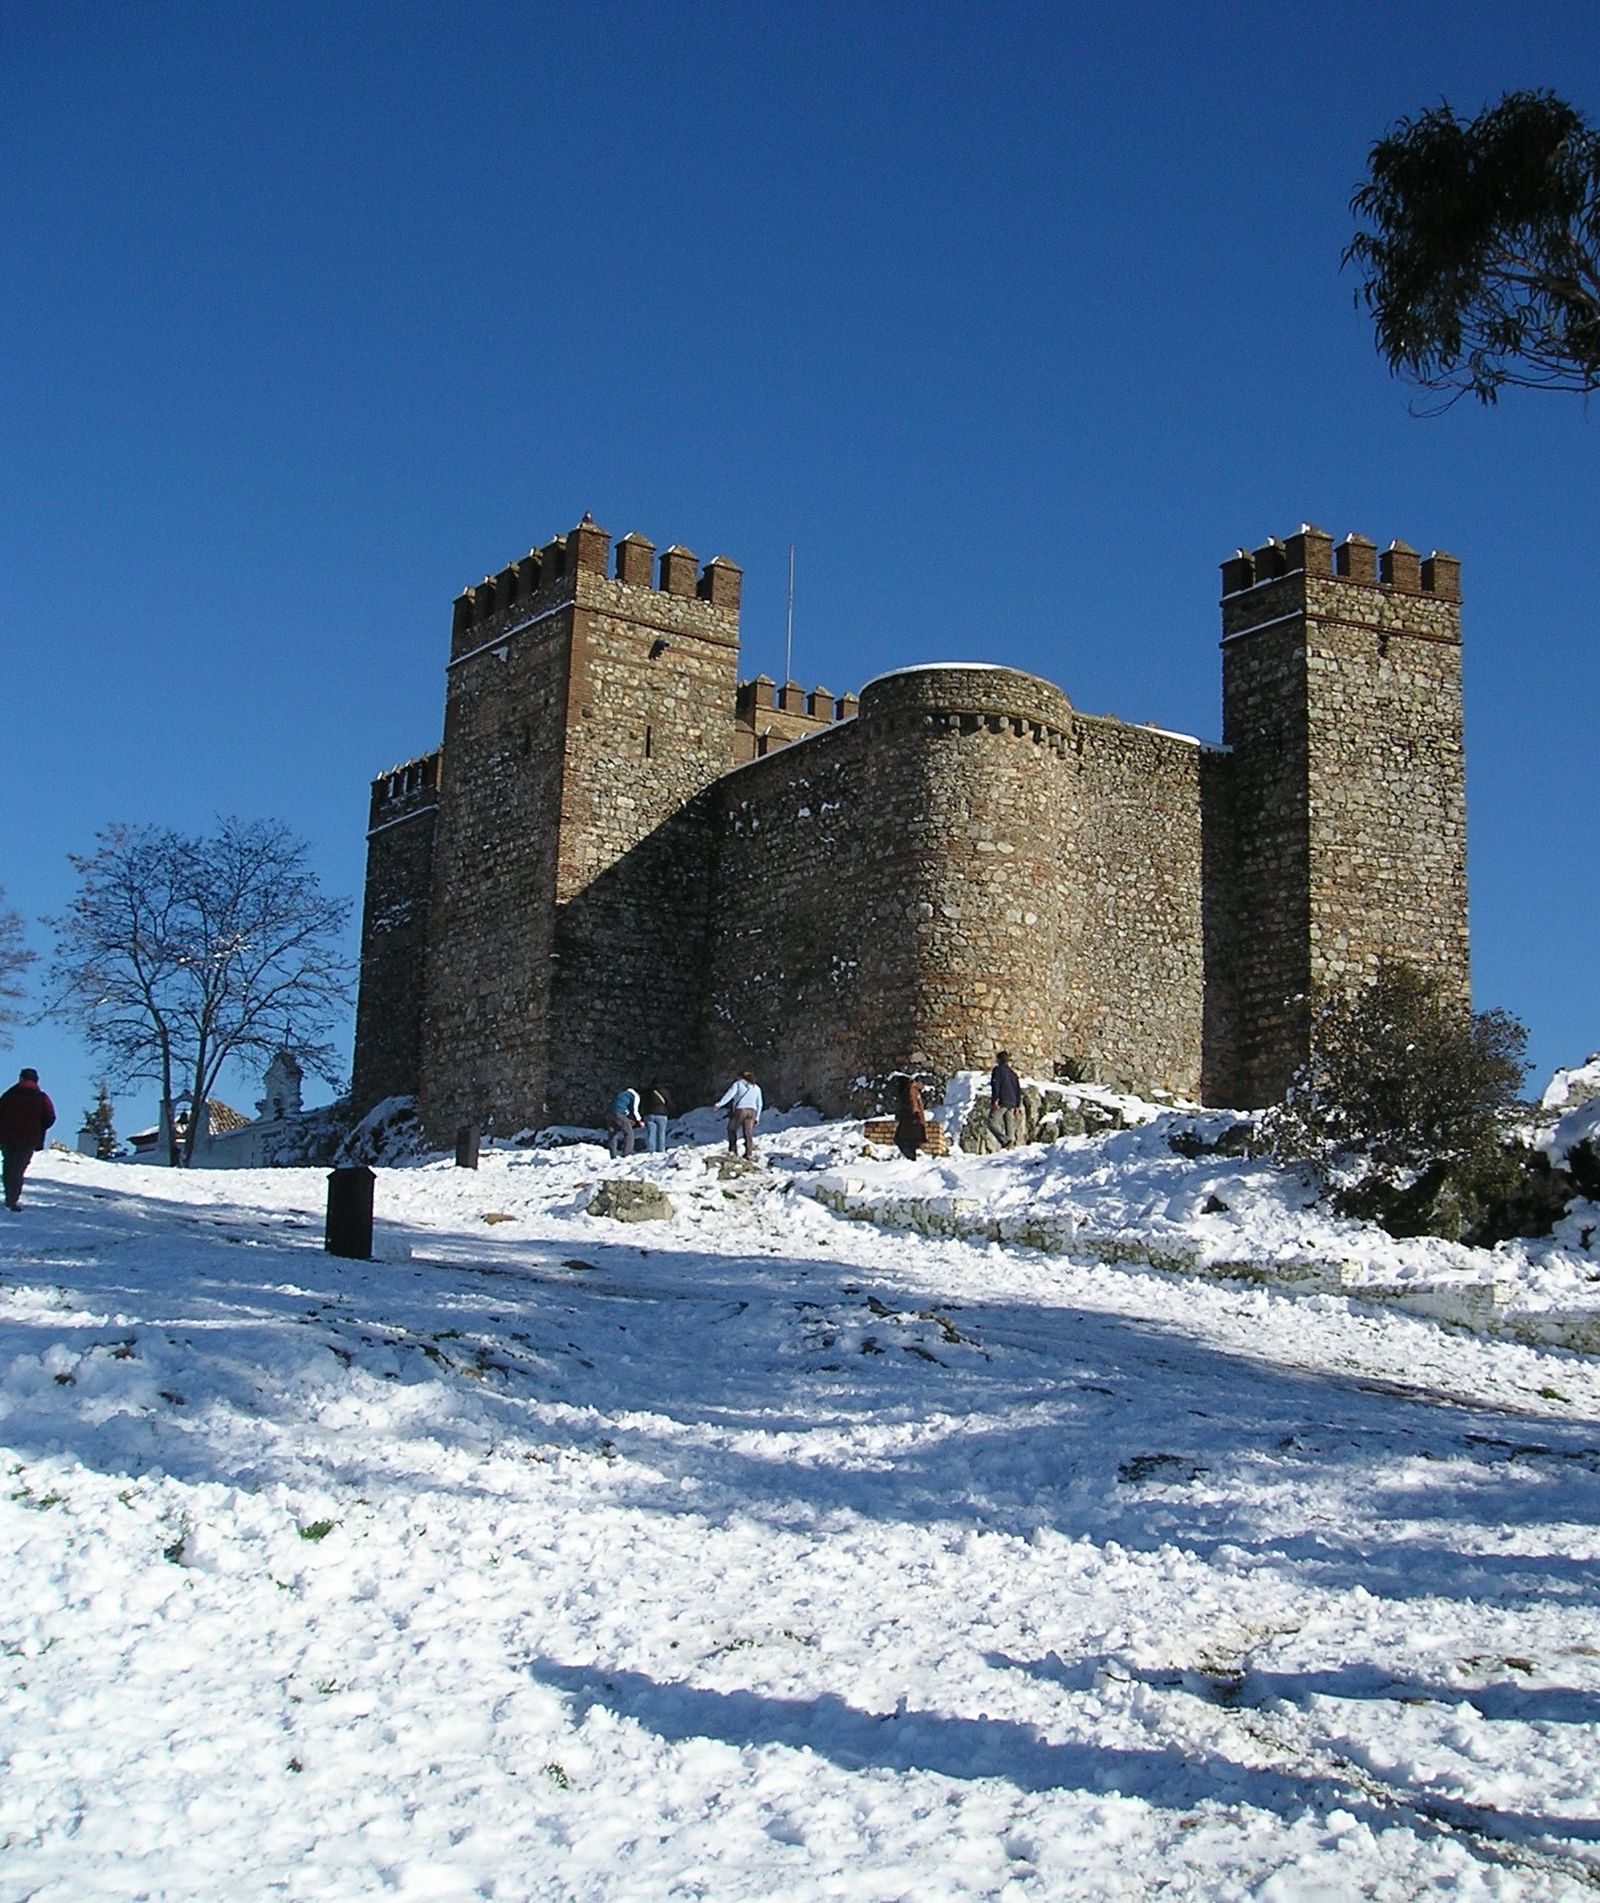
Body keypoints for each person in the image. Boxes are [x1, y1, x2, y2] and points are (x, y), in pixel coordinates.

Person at [0, 1068, 56, 1212]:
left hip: (6, 1137)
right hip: (28, 1140)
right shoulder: (41, 1098)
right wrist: (38, 1128)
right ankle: (12, 1200)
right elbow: (50, 1118)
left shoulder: (9, 1095)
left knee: (8, 1166)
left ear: (21, 1078)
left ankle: (9, 1196)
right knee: (18, 1169)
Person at [714, 1070, 763, 1160]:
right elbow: (759, 1104)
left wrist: (719, 1104)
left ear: (741, 1077)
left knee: (731, 1129)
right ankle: (749, 1153)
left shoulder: (738, 1084)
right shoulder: (756, 1087)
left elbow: (729, 1095)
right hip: (752, 1111)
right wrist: (757, 1117)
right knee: (748, 1133)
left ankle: (733, 1151)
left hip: (741, 1110)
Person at [988, 1050, 1023, 1148]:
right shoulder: (1013, 1074)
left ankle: (1005, 1140)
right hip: (1012, 1102)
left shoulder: (997, 1070)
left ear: (998, 1060)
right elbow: (1018, 1089)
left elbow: (996, 1085)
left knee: (991, 1122)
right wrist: (1017, 1105)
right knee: (1009, 1125)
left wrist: (995, 1099)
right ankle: (1010, 1147)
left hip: (1003, 1100)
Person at [892, 1072, 927, 1160]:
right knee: (909, 1141)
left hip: (911, 1120)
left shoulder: (910, 1088)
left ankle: (911, 1159)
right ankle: (912, 1158)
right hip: (914, 1120)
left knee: (901, 1140)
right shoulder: (914, 1089)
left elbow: (912, 1103)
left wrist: (913, 1115)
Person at [608, 1085, 642, 1158]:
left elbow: (626, 1108)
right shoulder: (635, 1096)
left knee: (613, 1135)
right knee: (629, 1133)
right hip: (619, 1113)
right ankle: (627, 1154)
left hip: (610, 1113)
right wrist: (639, 1120)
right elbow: (634, 1110)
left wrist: (630, 1119)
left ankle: (612, 1155)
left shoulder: (622, 1094)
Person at [641, 1082, 671, 1154]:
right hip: (661, 1114)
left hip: (649, 1114)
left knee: (651, 1134)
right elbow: (669, 1102)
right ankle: (661, 1150)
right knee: (661, 1134)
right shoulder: (664, 1091)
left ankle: (652, 1151)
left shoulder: (647, 1092)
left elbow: (643, 1103)